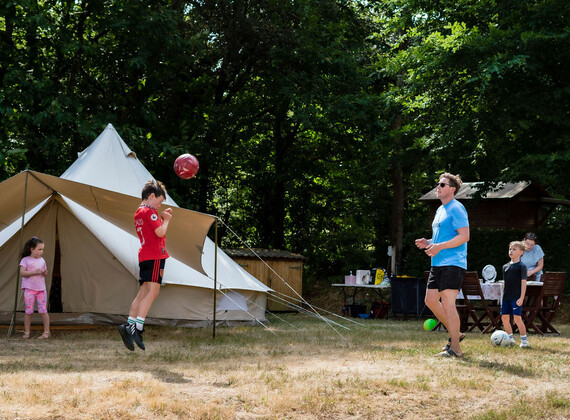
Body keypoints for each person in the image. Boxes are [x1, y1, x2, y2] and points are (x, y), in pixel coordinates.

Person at [415, 173, 470, 357]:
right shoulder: (440, 210)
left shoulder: (457, 208)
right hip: (437, 263)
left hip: (453, 263)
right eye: (438, 184)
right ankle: (456, 334)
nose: (438, 187)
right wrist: (429, 242)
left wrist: (439, 246)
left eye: (442, 184)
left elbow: (464, 236)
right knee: (430, 300)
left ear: (452, 189)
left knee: (447, 303)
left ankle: (455, 349)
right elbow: (443, 239)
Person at [118, 180, 172, 351]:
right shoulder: (150, 212)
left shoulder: (138, 212)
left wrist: (160, 218)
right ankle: (138, 328)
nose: (159, 206)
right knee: (153, 292)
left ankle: (129, 325)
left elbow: (150, 232)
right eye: (159, 201)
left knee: (142, 292)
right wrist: (166, 220)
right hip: (155, 255)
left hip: (144, 256)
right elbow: (160, 232)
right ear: (152, 196)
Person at [500, 241, 530, 348]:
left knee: (517, 318)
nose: (511, 251)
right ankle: (510, 339)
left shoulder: (522, 266)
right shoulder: (505, 267)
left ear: (521, 252)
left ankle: (524, 341)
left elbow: (523, 283)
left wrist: (521, 298)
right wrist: (502, 297)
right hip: (506, 298)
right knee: (504, 318)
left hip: (516, 297)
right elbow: (505, 283)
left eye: (514, 249)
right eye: (510, 249)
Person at [19, 237, 50, 339]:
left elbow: (45, 271)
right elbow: (22, 273)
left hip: (41, 290)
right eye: (39, 249)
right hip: (30, 290)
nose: (41, 252)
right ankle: (27, 332)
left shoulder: (42, 260)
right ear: (32, 249)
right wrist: (35, 272)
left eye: (42, 249)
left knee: (43, 311)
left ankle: (46, 332)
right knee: (29, 311)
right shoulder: (25, 260)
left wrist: (45, 272)